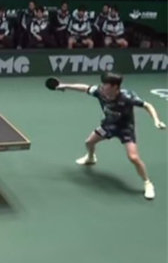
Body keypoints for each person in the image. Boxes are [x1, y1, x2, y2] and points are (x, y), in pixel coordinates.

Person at [55, 72, 165, 200]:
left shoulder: (127, 97)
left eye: (105, 84)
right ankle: (91, 158)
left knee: (133, 157)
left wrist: (156, 120)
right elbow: (85, 88)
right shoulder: (100, 92)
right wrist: (65, 85)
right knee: (89, 143)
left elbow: (147, 105)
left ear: (114, 87)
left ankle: (147, 183)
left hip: (125, 129)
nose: (102, 86)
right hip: (109, 126)